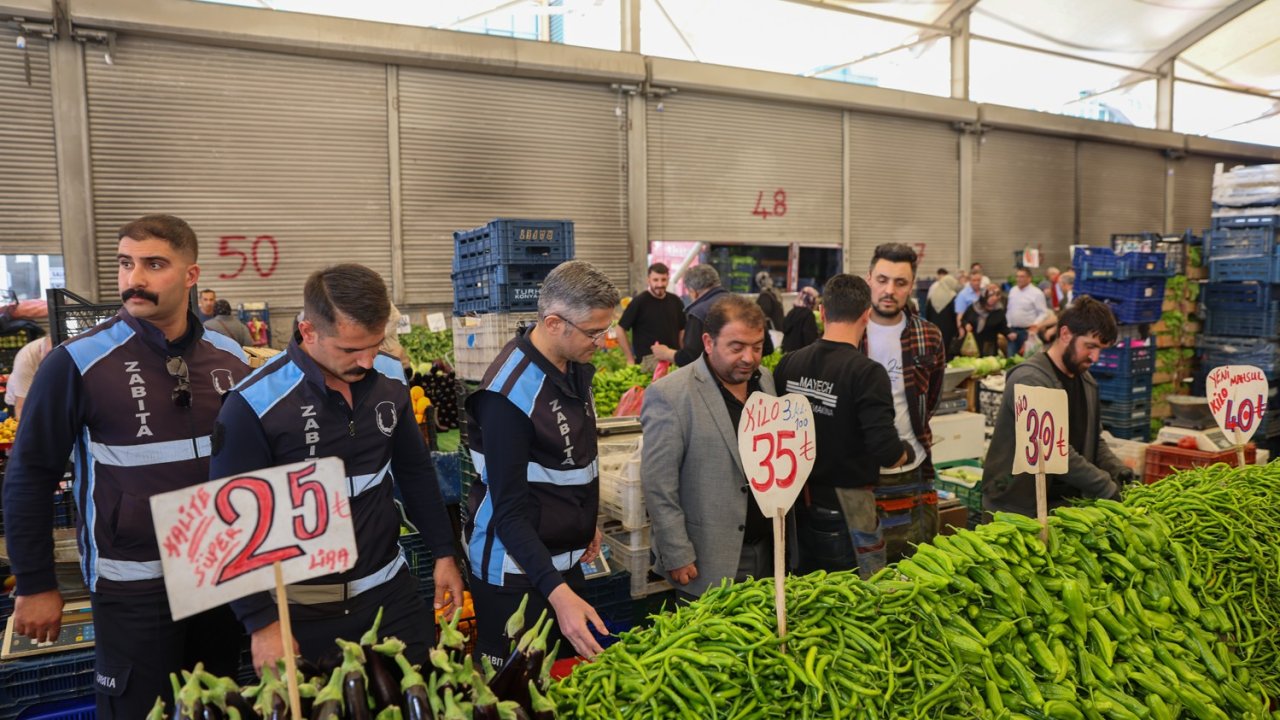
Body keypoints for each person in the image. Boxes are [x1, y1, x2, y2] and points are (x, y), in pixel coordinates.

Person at [2, 214, 251, 719]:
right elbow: (29, 476)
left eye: (154, 264)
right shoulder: (76, 362)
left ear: (190, 274)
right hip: (133, 585)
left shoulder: (229, 357)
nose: (133, 279)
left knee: (217, 706)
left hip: (216, 575)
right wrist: (34, 583)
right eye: (125, 263)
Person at [211, 263, 463, 671]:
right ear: (309, 332)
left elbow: (415, 472)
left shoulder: (391, 380)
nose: (366, 361)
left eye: (375, 344)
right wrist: (262, 623)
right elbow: (229, 526)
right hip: (303, 614)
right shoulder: (253, 405)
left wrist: (444, 552)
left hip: (391, 597)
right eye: (350, 349)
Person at [464, 260, 619, 664]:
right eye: (594, 332)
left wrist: (586, 519)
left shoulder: (572, 367)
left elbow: (571, 460)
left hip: (559, 565)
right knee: (519, 693)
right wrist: (557, 591)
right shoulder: (508, 396)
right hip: (515, 576)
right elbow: (509, 513)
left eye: (605, 329)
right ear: (553, 324)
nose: (602, 341)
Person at [641, 294, 781, 600]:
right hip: (708, 560)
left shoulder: (765, 382)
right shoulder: (671, 395)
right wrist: (677, 552)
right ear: (708, 342)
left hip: (769, 551)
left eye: (757, 347)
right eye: (737, 347)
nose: (749, 358)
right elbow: (658, 485)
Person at [774, 275, 910, 577]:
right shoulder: (866, 372)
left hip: (795, 507)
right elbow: (886, 451)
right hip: (847, 511)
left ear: (822, 312)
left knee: (808, 597)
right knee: (854, 606)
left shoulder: (789, 364)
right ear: (867, 315)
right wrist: (905, 453)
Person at [983, 297, 1132, 517]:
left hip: (1064, 508)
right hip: (1017, 509)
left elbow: (1092, 439)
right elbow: (1052, 450)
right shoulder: (1029, 380)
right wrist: (1104, 486)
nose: (1095, 357)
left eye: (1101, 349)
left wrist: (1117, 469)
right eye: (1090, 346)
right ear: (1065, 335)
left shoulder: (1087, 382)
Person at [860, 243, 946, 551]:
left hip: (912, 469)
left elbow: (931, 397)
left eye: (900, 283)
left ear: (911, 286)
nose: (889, 290)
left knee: (916, 558)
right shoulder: (850, 332)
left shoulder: (929, 335)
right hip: (861, 472)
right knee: (865, 566)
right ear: (869, 277)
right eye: (882, 279)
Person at [653, 264, 728, 368]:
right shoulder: (737, 302)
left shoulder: (699, 313)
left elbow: (691, 358)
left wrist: (666, 353)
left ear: (693, 292)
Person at [616, 263, 685, 370]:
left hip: (672, 358)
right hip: (648, 361)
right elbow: (620, 328)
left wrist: (682, 353)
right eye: (655, 280)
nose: (660, 284)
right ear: (649, 280)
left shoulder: (676, 301)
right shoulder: (639, 302)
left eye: (663, 279)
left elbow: (682, 330)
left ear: (668, 279)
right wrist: (629, 358)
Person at [4, 335, 52, 419]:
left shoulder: (56, 345)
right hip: (21, 401)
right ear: (40, 350)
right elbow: (20, 408)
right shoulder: (25, 361)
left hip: (43, 398)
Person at [1007, 267, 1051, 356]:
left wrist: (1035, 325)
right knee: (1011, 358)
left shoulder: (1037, 293)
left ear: (1029, 278)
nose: (1018, 279)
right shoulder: (1013, 290)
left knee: (1028, 358)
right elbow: (1009, 310)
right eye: (1017, 276)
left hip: (1028, 332)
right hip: (1013, 331)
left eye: (1022, 277)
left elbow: (1043, 312)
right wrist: (1008, 326)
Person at [961, 286, 1010, 358]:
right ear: (984, 297)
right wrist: (966, 325)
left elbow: (1003, 327)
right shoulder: (974, 308)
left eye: (995, 296)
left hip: (989, 345)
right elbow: (964, 319)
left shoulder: (998, 311)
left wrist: (1009, 333)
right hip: (973, 344)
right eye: (990, 296)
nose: (994, 298)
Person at [925, 274, 960, 360]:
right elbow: (955, 314)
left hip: (933, 329)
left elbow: (927, 314)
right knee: (947, 352)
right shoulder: (953, 296)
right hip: (949, 330)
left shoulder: (932, 296)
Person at [781, 286, 820, 353]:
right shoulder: (808, 315)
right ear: (811, 300)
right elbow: (810, 340)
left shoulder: (791, 312)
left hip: (788, 354)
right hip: (801, 355)